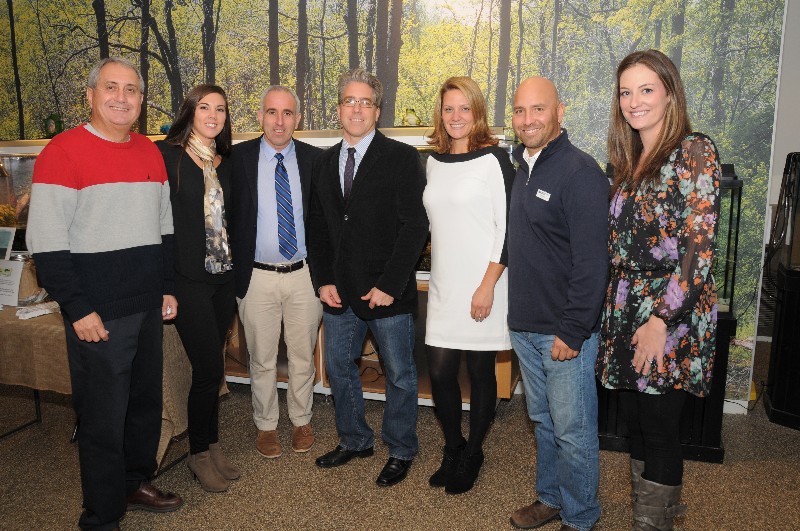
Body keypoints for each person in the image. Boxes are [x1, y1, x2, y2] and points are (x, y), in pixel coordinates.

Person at [26, 56, 183, 530]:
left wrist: (167, 288)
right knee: (102, 419)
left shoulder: (150, 152)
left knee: (143, 409)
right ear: (91, 95)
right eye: (111, 87)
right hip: (97, 315)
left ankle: (134, 482)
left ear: (141, 100)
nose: (122, 97)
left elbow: (165, 229)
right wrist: (77, 308)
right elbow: (46, 243)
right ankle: (101, 514)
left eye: (132, 90)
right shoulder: (62, 151)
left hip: (146, 308)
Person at [596, 49, 720, 531]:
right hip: (628, 311)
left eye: (646, 89)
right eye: (626, 92)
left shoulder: (693, 150)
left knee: (662, 429)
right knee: (637, 426)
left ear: (670, 92)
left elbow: (698, 248)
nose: (634, 101)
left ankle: (655, 524)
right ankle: (648, 518)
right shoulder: (627, 161)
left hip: (670, 314)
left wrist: (660, 321)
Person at [307, 68, 429, 487]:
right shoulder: (323, 163)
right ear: (339, 108)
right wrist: (322, 280)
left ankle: (401, 448)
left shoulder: (401, 158)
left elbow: (414, 226)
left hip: (386, 293)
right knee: (340, 366)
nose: (356, 109)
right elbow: (318, 227)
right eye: (349, 101)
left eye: (365, 102)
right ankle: (355, 439)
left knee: (399, 373)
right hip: (339, 293)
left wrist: (390, 285)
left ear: (377, 111)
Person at [507, 77, 609, 531]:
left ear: (560, 112)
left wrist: (572, 330)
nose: (528, 120)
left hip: (563, 331)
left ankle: (582, 518)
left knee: (574, 432)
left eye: (538, 109)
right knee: (544, 422)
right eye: (519, 110)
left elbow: (593, 264)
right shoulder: (522, 166)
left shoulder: (580, 172)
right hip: (525, 326)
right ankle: (550, 499)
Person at [422, 76, 515, 494]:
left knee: (479, 372)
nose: (455, 116)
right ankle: (453, 445)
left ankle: (474, 451)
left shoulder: (494, 159)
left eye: (464, 108)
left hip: (484, 282)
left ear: (476, 111)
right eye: (448, 109)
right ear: (440, 115)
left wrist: (488, 284)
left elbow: (507, 227)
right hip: (445, 283)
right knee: (440, 371)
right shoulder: (432, 162)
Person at [229, 86, 323, 459]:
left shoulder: (317, 161)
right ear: (260, 117)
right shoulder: (236, 159)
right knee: (262, 358)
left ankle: (302, 419)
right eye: (272, 112)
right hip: (256, 276)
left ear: (298, 119)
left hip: (303, 275)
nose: (279, 121)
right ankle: (266, 426)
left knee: (303, 355)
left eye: (287, 113)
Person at [156, 84, 239, 493]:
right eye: (204, 107)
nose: (213, 115)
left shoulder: (225, 161)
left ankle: (212, 443)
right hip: (187, 281)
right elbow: (156, 225)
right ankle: (198, 454)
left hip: (222, 279)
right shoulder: (166, 156)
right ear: (189, 112)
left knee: (214, 368)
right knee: (207, 369)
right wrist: (164, 284)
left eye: (220, 109)